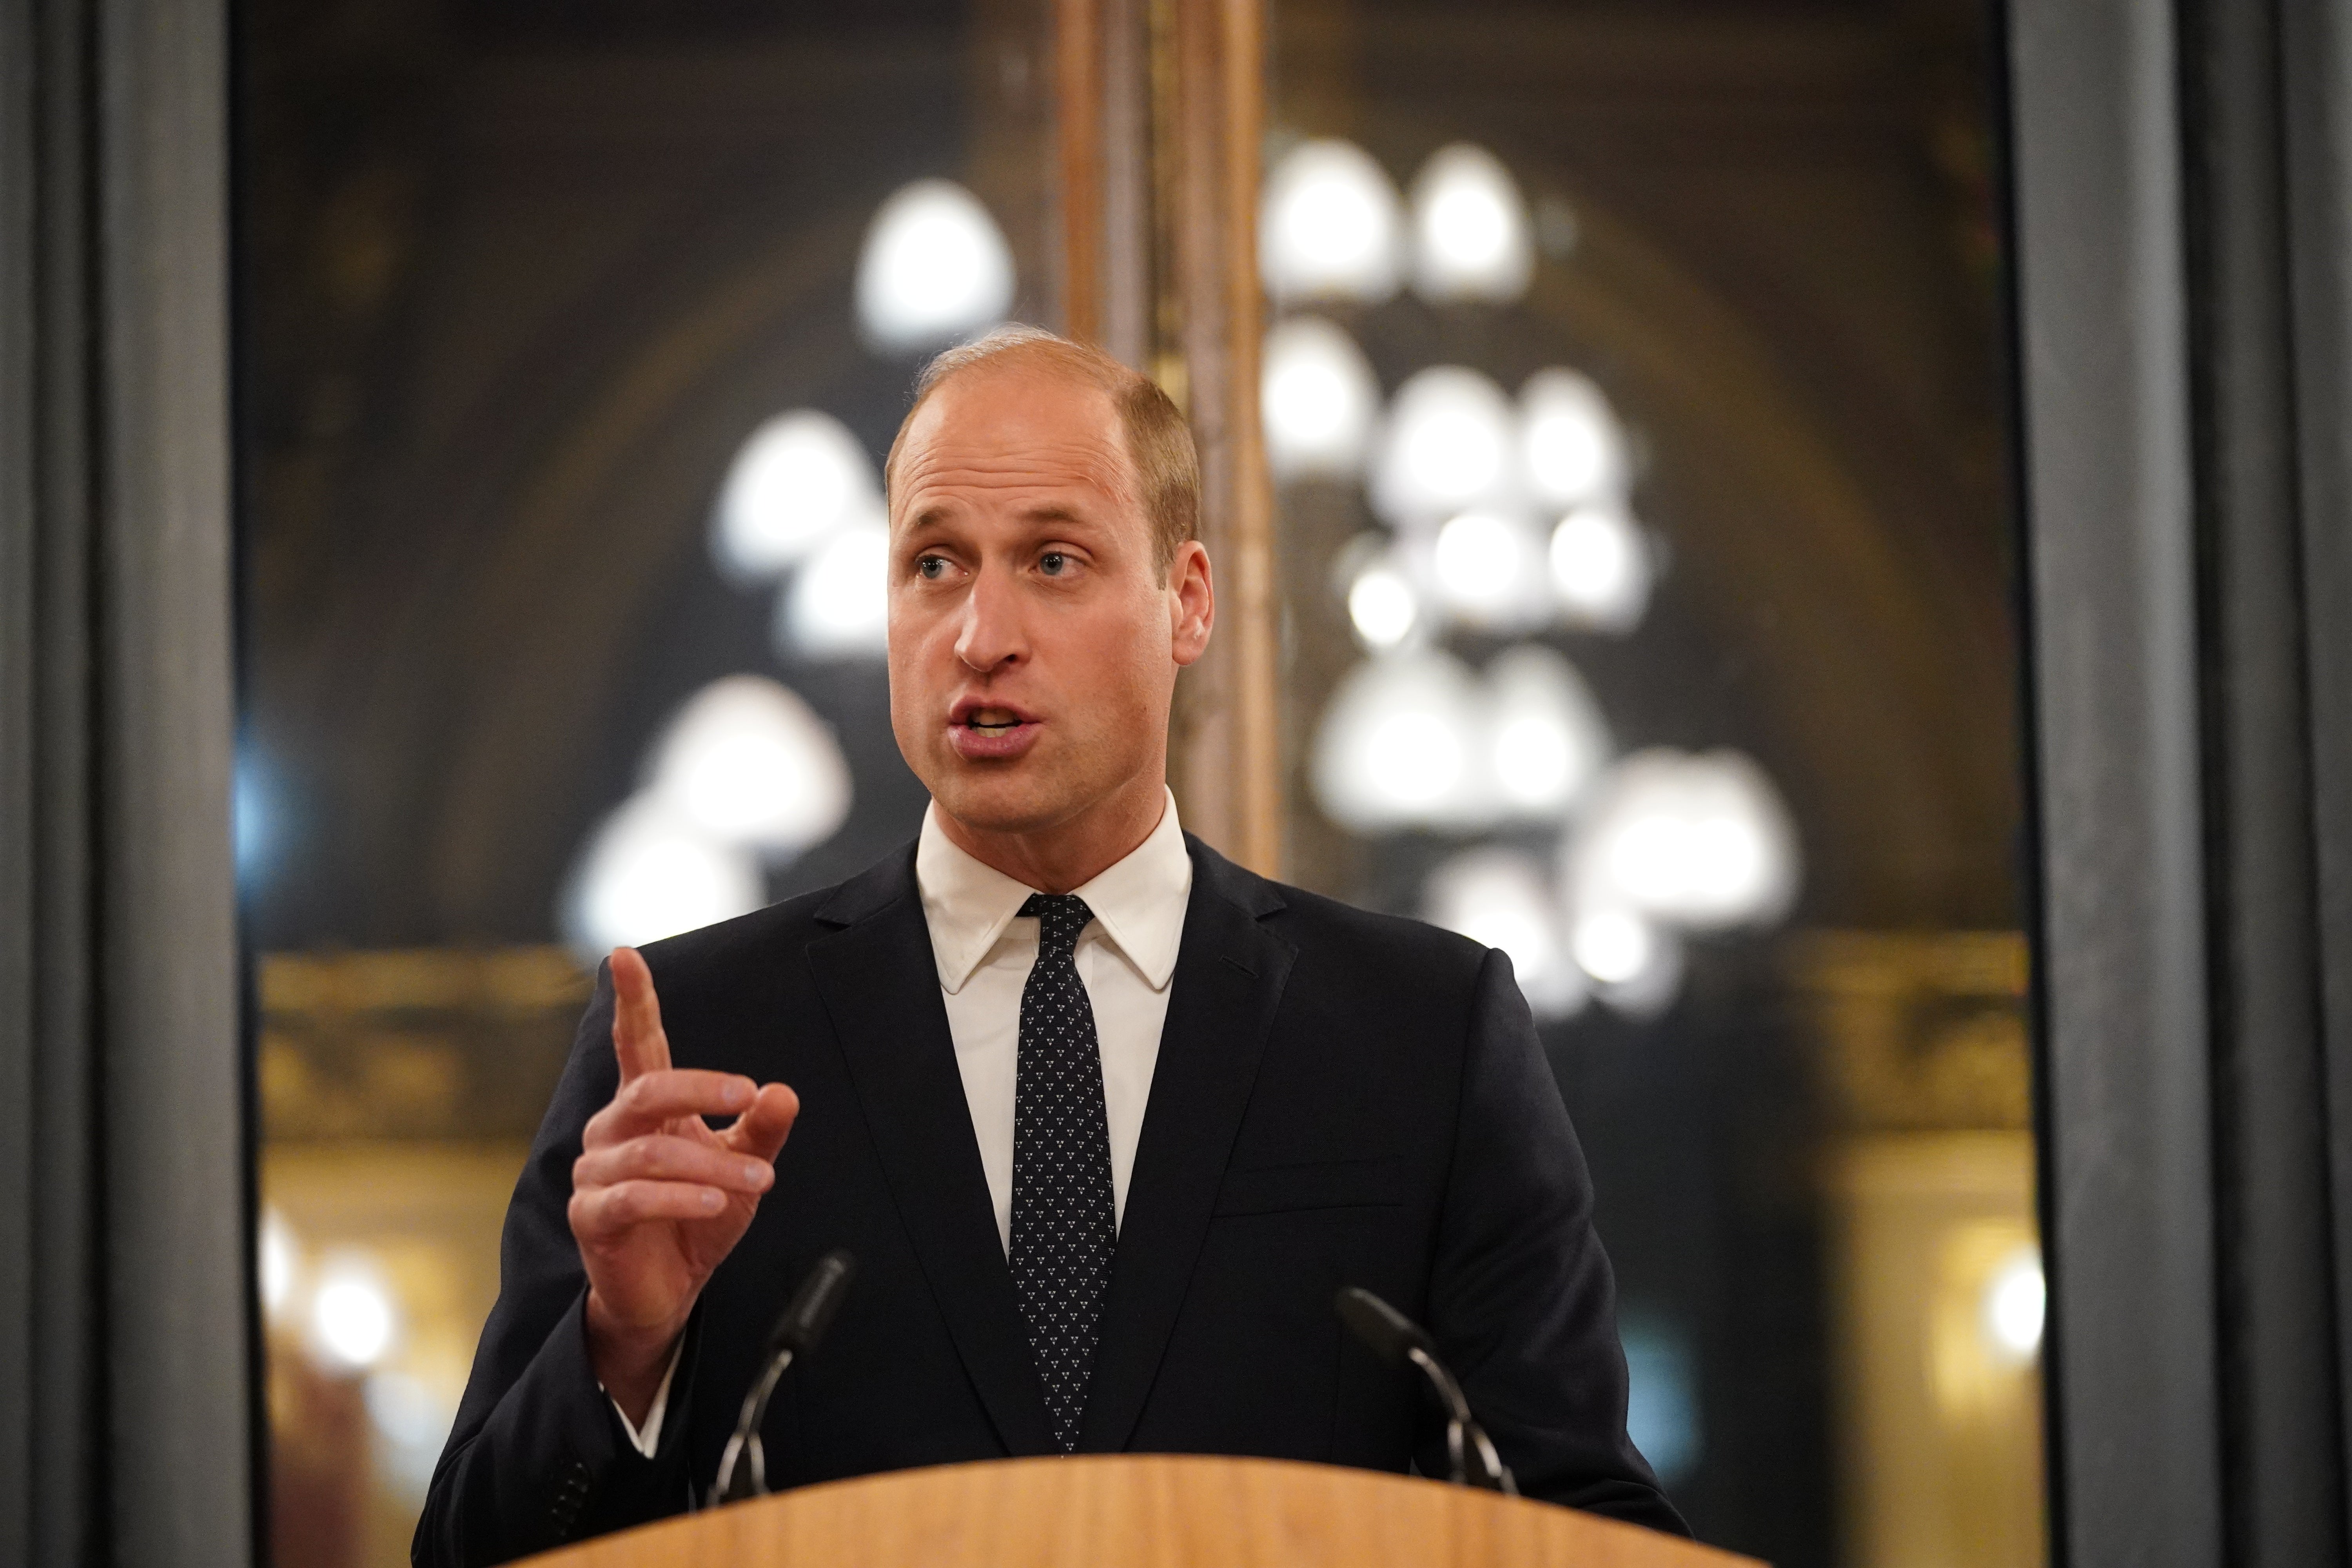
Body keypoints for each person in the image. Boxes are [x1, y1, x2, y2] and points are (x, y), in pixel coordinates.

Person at [414, 326, 1686, 1566]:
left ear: (1186, 601)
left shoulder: (1424, 1030)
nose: (979, 635)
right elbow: (473, 1551)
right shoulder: (694, 1040)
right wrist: (621, 1350)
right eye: (935, 566)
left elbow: (1575, 1516)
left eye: (1055, 562)